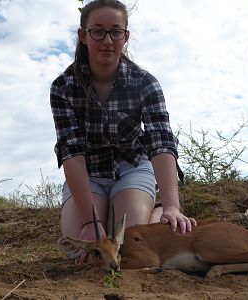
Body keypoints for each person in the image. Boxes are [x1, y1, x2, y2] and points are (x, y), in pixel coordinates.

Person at [50, 0, 196, 261]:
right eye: (98, 31)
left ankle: (159, 208)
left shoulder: (145, 82)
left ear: (125, 36)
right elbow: (71, 152)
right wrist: (89, 222)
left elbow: (161, 141)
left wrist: (173, 207)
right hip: (89, 173)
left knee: (128, 247)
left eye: (116, 31)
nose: (107, 39)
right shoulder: (63, 86)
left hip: (132, 168)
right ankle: (95, 216)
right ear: (83, 36)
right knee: (86, 254)